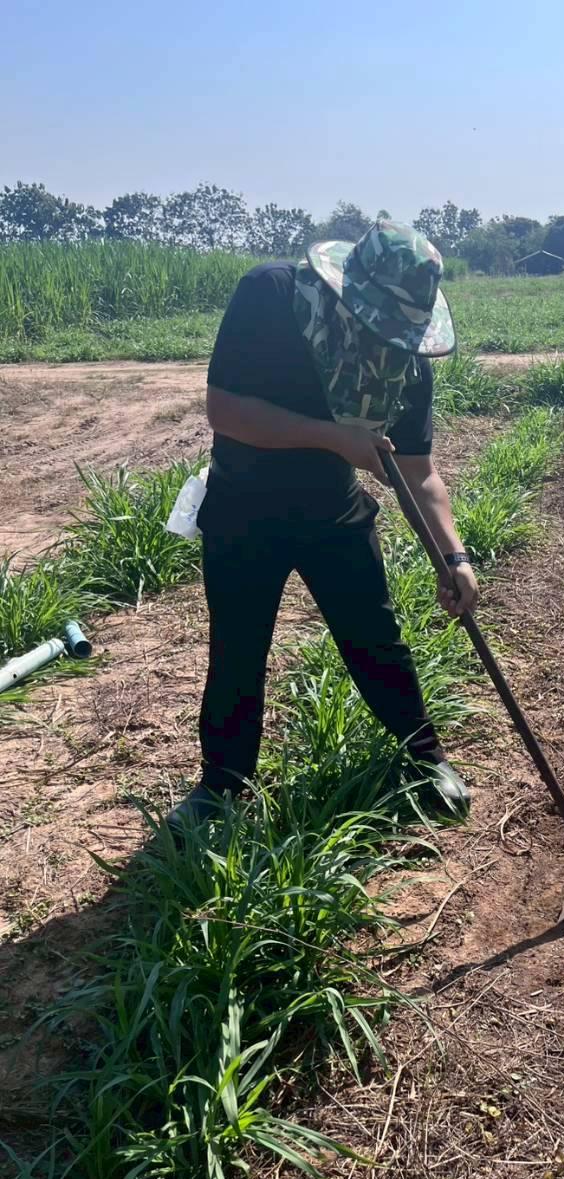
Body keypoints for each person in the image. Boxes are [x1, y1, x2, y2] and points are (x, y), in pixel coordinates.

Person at [165, 220, 477, 836]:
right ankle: (220, 786)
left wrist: (455, 556)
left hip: (332, 508)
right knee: (237, 648)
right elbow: (226, 411)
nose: (386, 338)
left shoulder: (405, 367)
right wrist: (334, 438)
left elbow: (421, 474)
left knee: (375, 636)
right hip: (242, 506)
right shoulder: (271, 298)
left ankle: (424, 755)